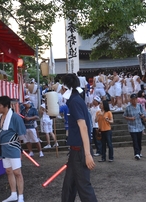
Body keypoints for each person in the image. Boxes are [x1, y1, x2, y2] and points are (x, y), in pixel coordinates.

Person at [61, 73, 97, 202]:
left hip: (80, 151)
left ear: (66, 88)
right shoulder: (75, 100)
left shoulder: (75, 101)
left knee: (84, 187)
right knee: (69, 186)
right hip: (75, 151)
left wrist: (87, 154)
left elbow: (83, 127)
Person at [0, 96, 27, 202]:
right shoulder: (0, 117)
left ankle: (20, 196)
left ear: (5, 106)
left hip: (13, 146)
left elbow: (21, 134)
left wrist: (20, 148)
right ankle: (13, 194)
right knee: (8, 171)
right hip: (3, 147)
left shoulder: (15, 117)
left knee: (17, 172)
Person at [123, 93, 146, 160]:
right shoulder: (128, 108)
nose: (134, 101)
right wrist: (130, 118)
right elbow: (124, 116)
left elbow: (145, 115)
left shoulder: (139, 106)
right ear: (131, 100)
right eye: (133, 99)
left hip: (139, 126)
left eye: (135, 99)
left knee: (139, 140)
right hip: (132, 126)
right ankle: (136, 153)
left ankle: (139, 151)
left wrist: (143, 116)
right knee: (135, 140)